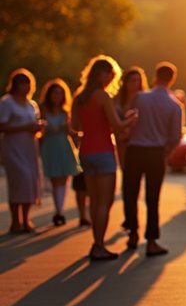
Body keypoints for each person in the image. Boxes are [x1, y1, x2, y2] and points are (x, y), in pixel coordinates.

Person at [71, 55, 139, 260]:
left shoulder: (79, 97)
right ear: (102, 74)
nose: (111, 78)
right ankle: (98, 245)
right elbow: (117, 127)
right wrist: (131, 120)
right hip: (103, 152)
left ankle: (97, 243)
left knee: (94, 200)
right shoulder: (102, 96)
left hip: (86, 152)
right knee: (104, 202)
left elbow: (75, 127)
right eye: (110, 74)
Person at [122, 61, 183, 256]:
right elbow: (175, 137)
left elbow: (128, 121)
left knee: (130, 192)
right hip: (156, 152)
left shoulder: (139, 98)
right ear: (172, 79)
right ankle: (151, 240)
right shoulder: (175, 105)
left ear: (155, 76)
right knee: (152, 197)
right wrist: (165, 152)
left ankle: (132, 232)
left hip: (135, 149)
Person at [0, 69, 45, 234]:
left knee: (30, 181)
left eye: (28, 83)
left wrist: (38, 128)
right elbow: (2, 125)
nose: (25, 86)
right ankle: (15, 220)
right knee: (19, 180)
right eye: (22, 83)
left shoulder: (31, 105)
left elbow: (34, 126)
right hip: (13, 147)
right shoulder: (7, 102)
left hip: (29, 147)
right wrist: (24, 127)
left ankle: (26, 219)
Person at [38, 78, 82, 226]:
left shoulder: (65, 111)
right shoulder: (43, 110)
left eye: (60, 93)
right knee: (55, 179)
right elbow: (40, 130)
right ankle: (59, 210)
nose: (57, 96)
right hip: (51, 146)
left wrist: (75, 133)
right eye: (55, 93)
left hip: (64, 145)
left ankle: (60, 210)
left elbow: (71, 131)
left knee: (64, 179)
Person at [113, 66, 148, 171]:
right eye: (132, 81)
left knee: (136, 171)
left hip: (139, 141)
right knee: (125, 169)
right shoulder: (117, 99)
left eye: (138, 81)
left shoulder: (145, 100)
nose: (135, 84)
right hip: (121, 141)